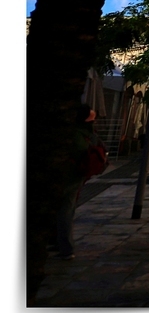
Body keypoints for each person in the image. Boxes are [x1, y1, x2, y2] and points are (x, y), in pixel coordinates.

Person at [55, 105, 106, 259]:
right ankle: (60, 242)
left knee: (65, 209)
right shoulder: (90, 133)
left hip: (70, 174)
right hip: (78, 174)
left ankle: (65, 247)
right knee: (66, 208)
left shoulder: (75, 133)